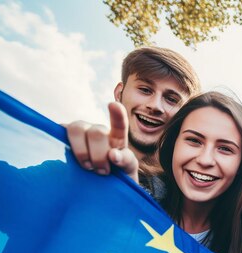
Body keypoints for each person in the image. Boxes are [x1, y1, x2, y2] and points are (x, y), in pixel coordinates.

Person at [67, 46, 201, 200]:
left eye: (171, 99)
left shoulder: (185, 199)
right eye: (145, 90)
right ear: (119, 93)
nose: (155, 106)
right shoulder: (72, 163)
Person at [157, 91, 242, 245]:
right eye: (194, 140)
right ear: (173, 144)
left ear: (241, 164)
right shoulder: (140, 196)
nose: (205, 160)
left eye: (225, 149)